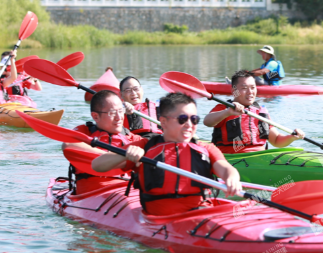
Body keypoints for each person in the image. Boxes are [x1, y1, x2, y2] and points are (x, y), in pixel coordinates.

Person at [92, 92, 242, 216]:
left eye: (194, 119)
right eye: (182, 119)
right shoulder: (145, 146)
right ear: (163, 122)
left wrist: (232, 178)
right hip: (158, 219)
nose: (189, 125)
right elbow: (97, 165)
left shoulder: (206, 148)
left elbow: (226, 168)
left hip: (200, 213)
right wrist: (125, 154)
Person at [62, 90, 144, 194]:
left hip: (127, 191)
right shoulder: (84, 132)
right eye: (112, 113)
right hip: (92, 194)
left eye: (120, 111)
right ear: (95, 116)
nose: (119, 117)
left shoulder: (133, 139)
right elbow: (68, 145)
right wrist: (115, 159)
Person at [204, 70, 305, 154]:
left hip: (260, 157)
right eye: (244, 88)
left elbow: (276, 140)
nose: (250, 92)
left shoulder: (261, 111)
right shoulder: (224, 108)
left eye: (253, 87)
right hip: (232, 159)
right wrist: (227, 112)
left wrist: (292, 137)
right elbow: (207, 121)